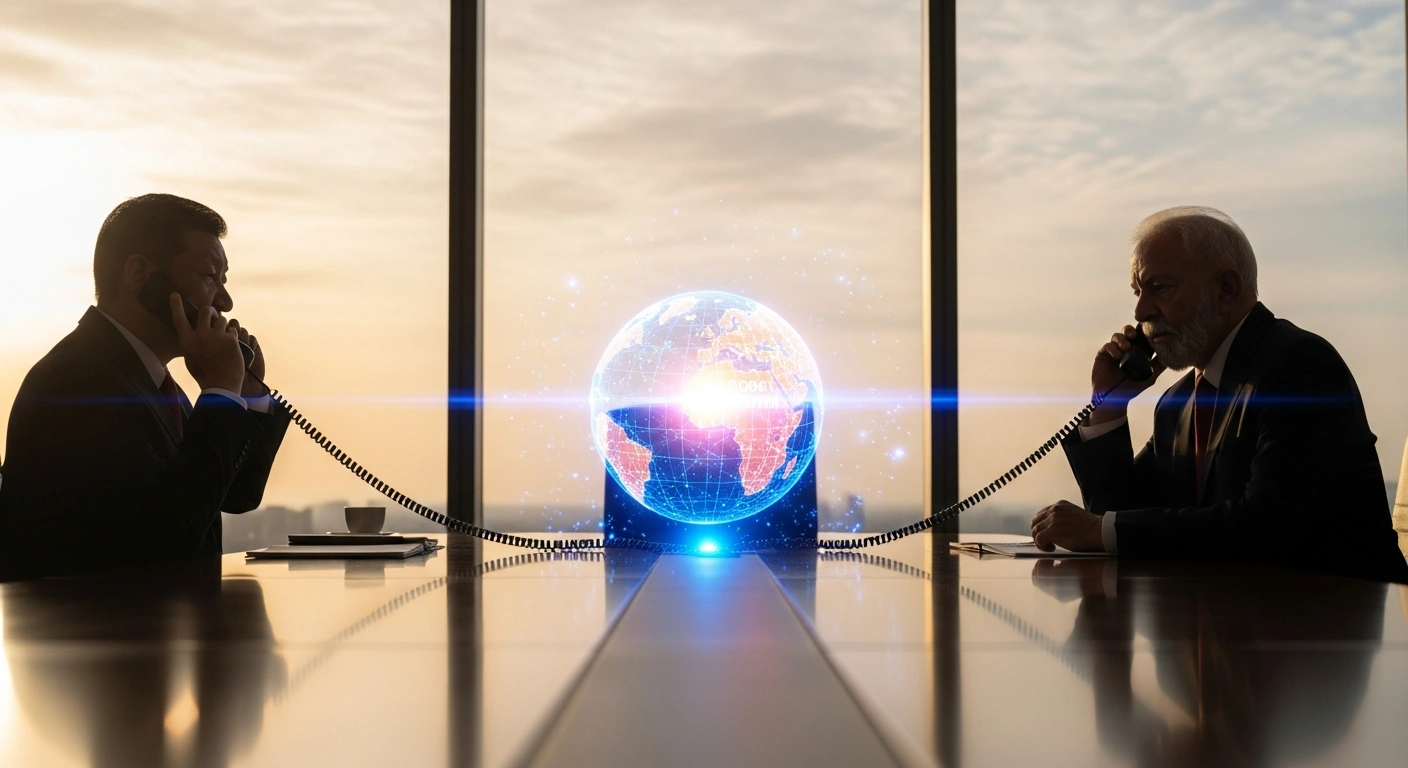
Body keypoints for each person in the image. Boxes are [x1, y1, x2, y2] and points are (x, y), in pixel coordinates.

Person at [1031, 206, 1408, 583]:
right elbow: (1117, 518)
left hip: (1334, 626)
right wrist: (1109, 405)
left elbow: (1268, 526)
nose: (1141, 309)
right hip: (1229, 625)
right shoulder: (1177, 403)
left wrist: (1101, 530)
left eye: (1159, 287)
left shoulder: (1301, 366)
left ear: (1225, 288)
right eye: (1138, 291)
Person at [0, 194, 288, 578]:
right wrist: (220, 391)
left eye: (223, 280)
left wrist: (245, 395)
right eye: (209, 277)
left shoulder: (151, 381)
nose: (225, 300)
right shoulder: (78, 381)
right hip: (95, 630)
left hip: (151, 625)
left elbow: (235, 495)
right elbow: (168, 535)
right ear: (142, 276)